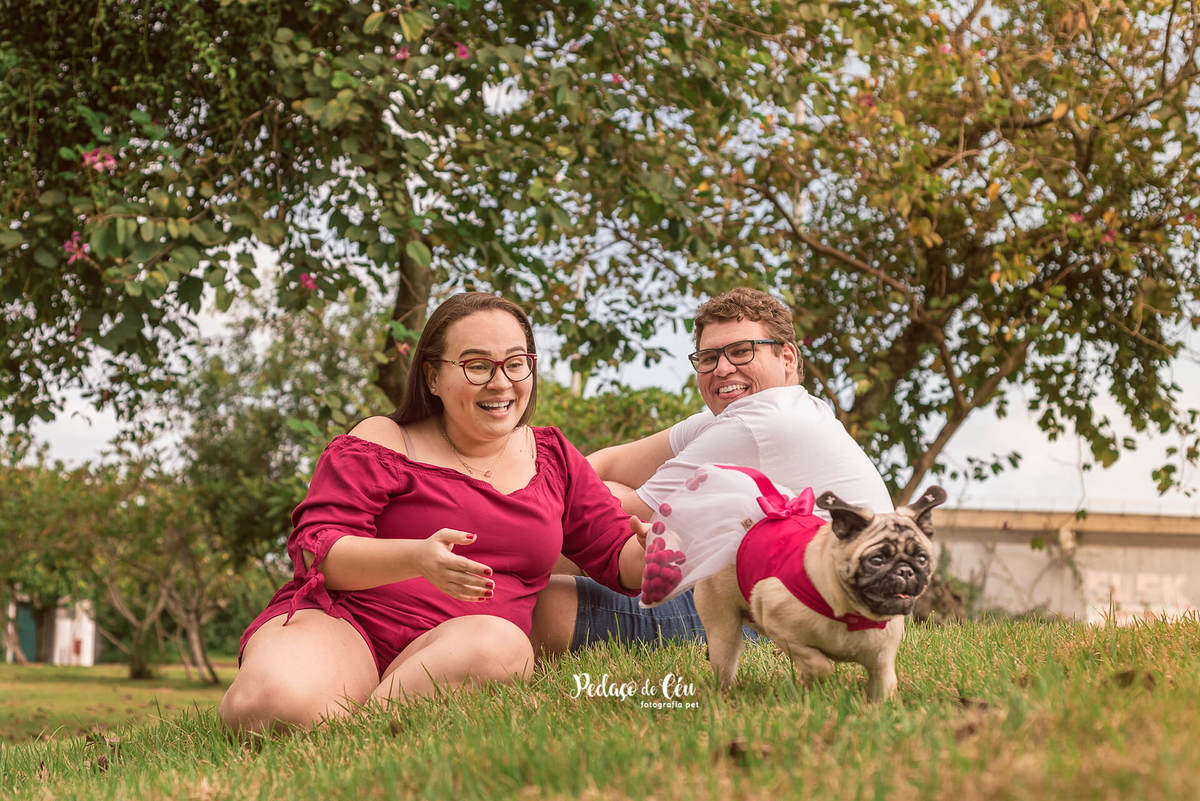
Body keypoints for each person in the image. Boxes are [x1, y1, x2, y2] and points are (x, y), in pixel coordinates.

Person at [220, 292, 646, 732]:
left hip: (462, 651)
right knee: (265, 706)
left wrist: (654, 550)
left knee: (499, 645)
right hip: (348, 625)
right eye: (477, 365)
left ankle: (355, 733)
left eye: (516, 363)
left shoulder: (553, 457)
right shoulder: (384, 439)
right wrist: (417, 558)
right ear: (432, 376)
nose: (501, 383)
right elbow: (318, 552)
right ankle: (356, 712)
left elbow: (617, 554)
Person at [530, 287, 892, 654]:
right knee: (596, 497)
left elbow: (609, 516)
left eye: (740, 352)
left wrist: (508, 509)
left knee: (538, 607)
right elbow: (606, 465)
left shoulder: (765, 419)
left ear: (786, 356)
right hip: (795, 600)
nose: (722, 368)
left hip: (798, 621)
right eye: (708, 357)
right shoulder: (766, 412)